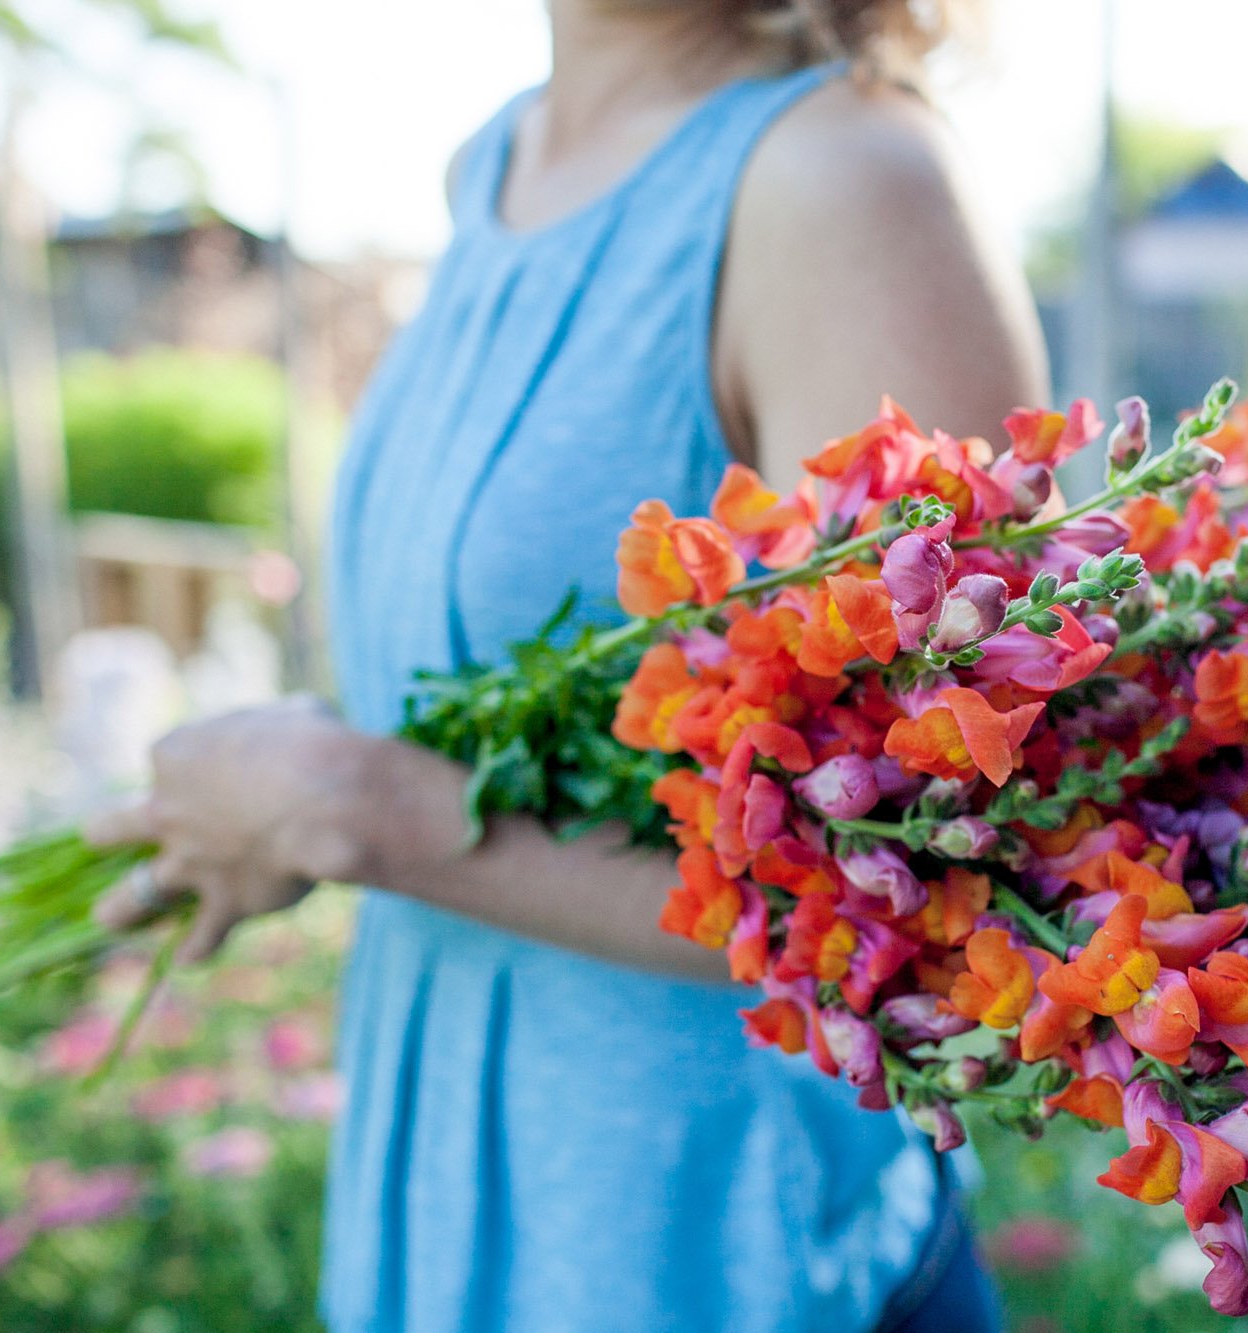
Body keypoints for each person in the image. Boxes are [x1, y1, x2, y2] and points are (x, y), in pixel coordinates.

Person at [85, 1, 1048, 1328]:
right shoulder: (497, 165)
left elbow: (937, 892)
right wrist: (307, 785)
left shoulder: (844, 181)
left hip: (716, 1258)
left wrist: (361, 808)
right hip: (466, 1216)